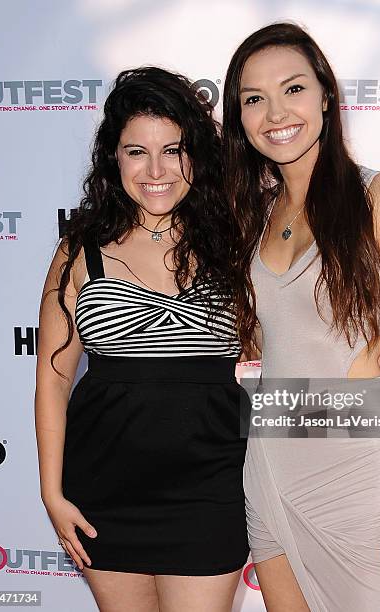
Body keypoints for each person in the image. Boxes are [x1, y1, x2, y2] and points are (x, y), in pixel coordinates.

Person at [222, 23, 380, 612]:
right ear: (239, 117)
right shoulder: (252, 218)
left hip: (359, 470)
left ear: (326, 96)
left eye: (293, 89)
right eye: (254, 99)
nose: (275, 113)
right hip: (271, 460)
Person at [34, 67, 249, 612]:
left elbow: (298, 325)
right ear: (114, 159)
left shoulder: (235, 242)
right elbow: (52, 382)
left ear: (196, 155)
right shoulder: (81, 249)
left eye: (173, 150)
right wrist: (51, 493)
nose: (156, 170)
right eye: (136, 151)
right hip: (104, 492)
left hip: (210, 488)